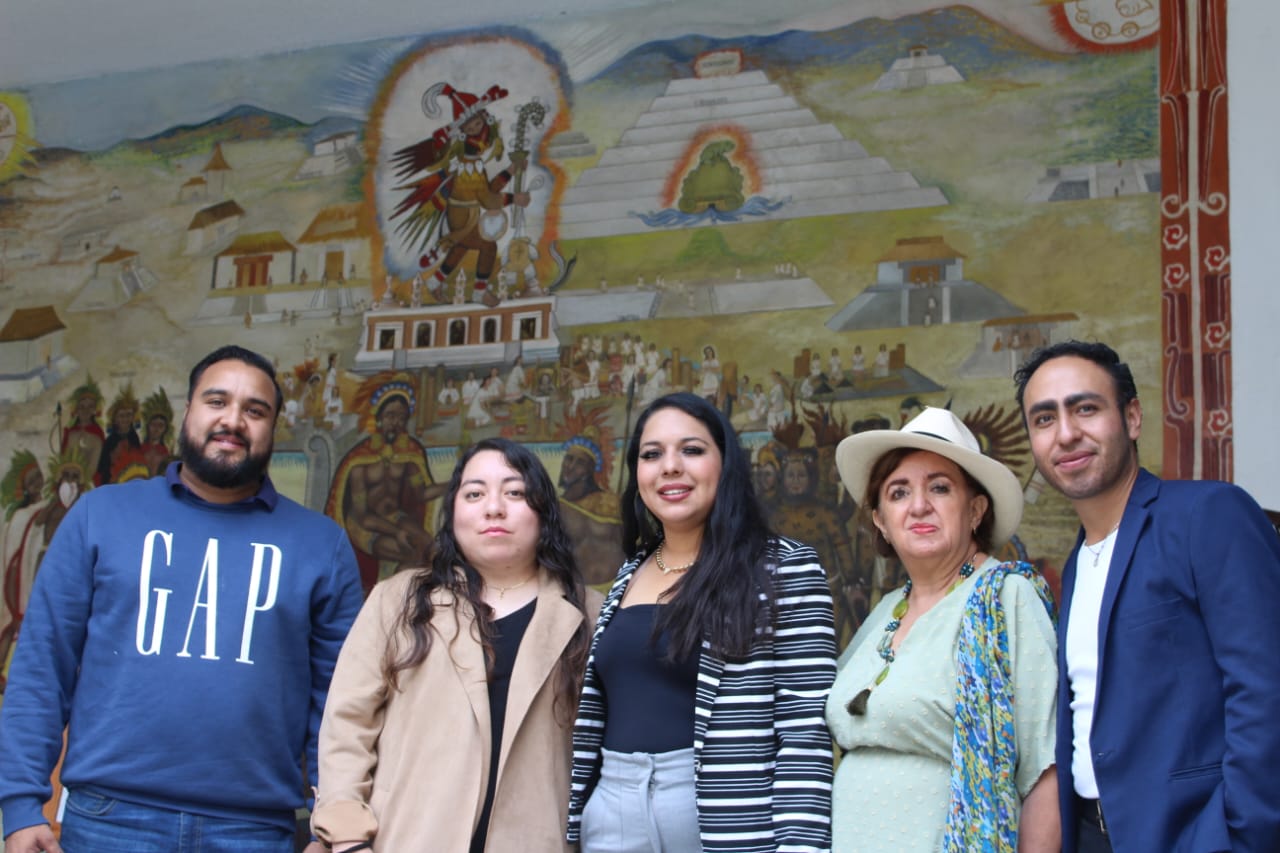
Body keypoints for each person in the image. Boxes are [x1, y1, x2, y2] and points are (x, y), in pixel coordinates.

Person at [0, 345, 364, 853]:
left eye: (254, 410)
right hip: (108, 820)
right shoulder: (100, 515)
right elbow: (42, 668)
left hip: (253, 830)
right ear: (187, 412)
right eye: (216, 401)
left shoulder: (321, 545)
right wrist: (19, 807)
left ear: (272, 427)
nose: (233, 420)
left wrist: (336, 824)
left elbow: (341, 703)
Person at [1013, 341, 1280, 853]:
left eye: (1085, 408)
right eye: (1044, 419)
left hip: (1195, 837)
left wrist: (1237, 835)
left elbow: (1265, 691)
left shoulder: (1207, 514)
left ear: (1132, 417)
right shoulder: (1076, 564)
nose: (1066, 433)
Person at [567, 392, 837, 852]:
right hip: (612, 810)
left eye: (691, 450)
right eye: (652, 455)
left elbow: (803, 730)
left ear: (725, 463)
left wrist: (801, 845)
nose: (670, 467)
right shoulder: (630, 573)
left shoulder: (784, 567)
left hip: (722, 816)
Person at [312, 438, 602, 852]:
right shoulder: (399, 600)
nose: (494, 507)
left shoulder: (591, 615)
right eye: (474, 493)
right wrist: (347, 838)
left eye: (515, 492)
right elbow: (347, 725)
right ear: (453, 512)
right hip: (405, 838)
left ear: (543, 511)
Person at [828, 406, 1059, 852]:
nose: (918, 506)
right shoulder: (886, 610)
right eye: (898, 493)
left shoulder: (1006, 597)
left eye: (939, 487)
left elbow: (1045, 769)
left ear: (975, 510)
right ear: (881, 521)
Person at [326, 373, 443, 593]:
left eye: (401, 417)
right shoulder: (360, 460)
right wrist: (395, 532)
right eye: (390, 415)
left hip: (394, 517)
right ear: (378, 417)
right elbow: (362, 515)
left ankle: (410, 602)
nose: (395, 422)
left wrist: (457, 483)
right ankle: (390, 604)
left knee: (431, 549)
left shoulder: (409, 454)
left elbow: (421, 493)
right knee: (411, 553)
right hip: (363, 524)